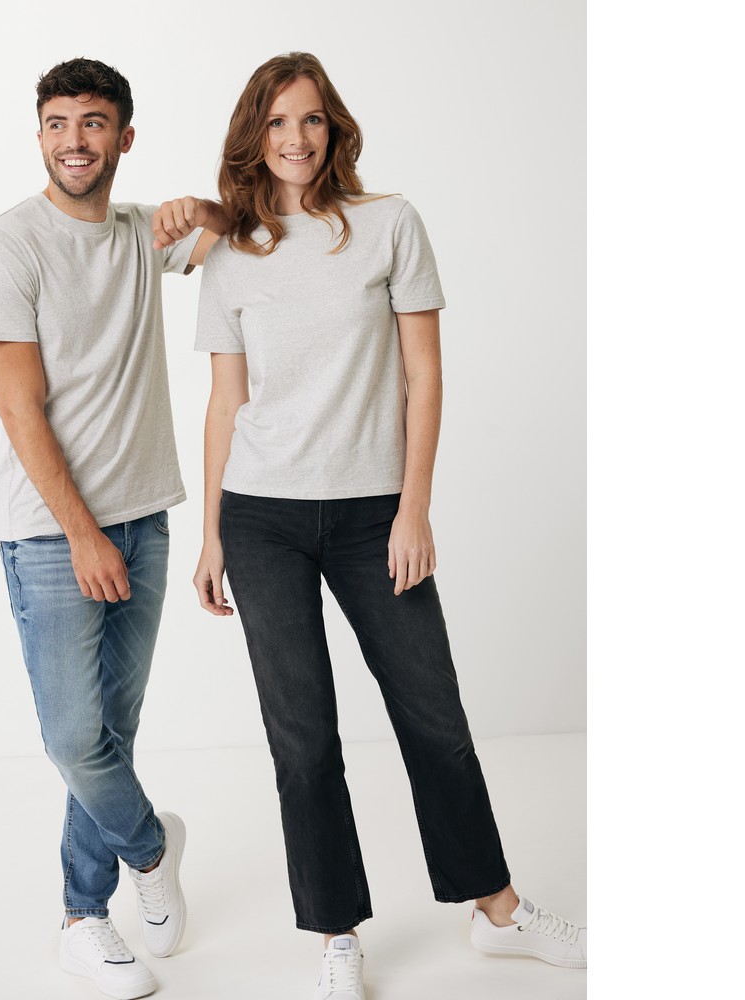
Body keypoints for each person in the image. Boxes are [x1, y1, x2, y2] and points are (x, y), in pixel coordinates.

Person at [191, 52, 586, 1000]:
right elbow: (225, 403)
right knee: (303, 739)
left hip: (376, 514)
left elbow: (424, 373)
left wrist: (415, 507)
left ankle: (496, 910)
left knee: (433, 717)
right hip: (262, 518)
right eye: (277, 122)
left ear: (334, 128)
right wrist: (211, 535)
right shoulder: (231, 252)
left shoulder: (390, 224)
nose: (296, 138)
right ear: (254, 136)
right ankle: (337, 933)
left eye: (311, 119)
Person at [0, 57, 224, 1000]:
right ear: (40, 135)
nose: (74, 140)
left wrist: (206, 208)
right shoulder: (7, 247)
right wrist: (80, 533)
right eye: (58, 123)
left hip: (145, 519)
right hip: (51, 535)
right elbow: (19, 408)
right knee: (76, 739)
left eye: (94, 122)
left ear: (124, 137)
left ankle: (83, 917)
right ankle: (150, 849)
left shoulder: (141, 233)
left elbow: (240, 239)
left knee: (113, 728)